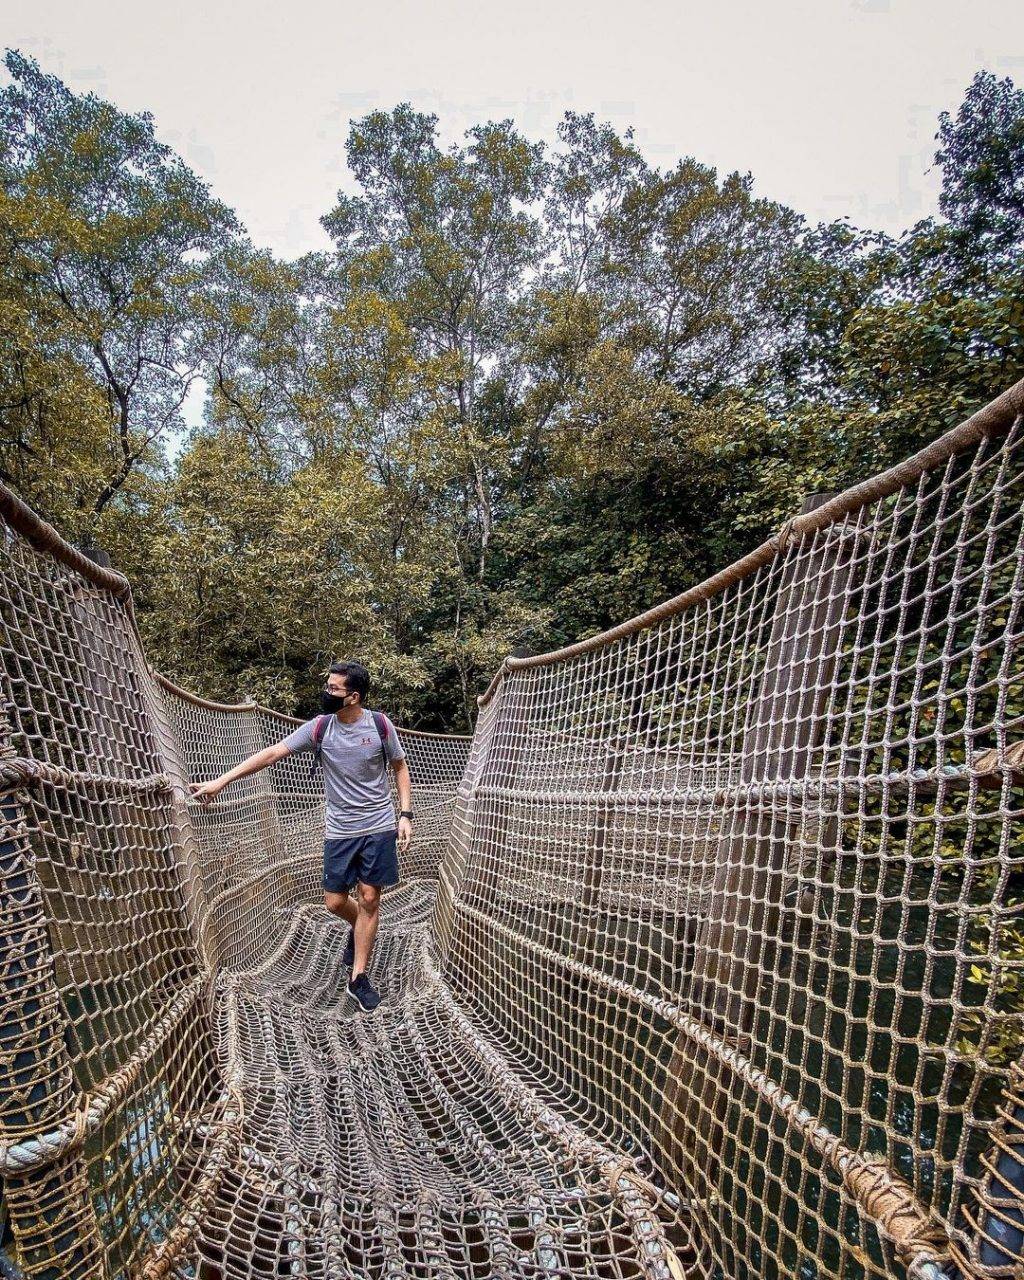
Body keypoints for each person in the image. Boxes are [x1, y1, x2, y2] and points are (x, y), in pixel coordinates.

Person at [189, 660, 413, 1012]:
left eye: (333, 689)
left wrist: (404, 814)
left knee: (370, 898)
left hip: (379, 824)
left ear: (353, 697)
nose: (326, 693)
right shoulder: (319, 728)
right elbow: (272, 754)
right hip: (340, 829)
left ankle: (358, 977)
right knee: (335, 903)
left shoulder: (380, 725)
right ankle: (361, 931)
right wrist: (221, 781)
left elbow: (399, 767)